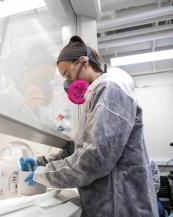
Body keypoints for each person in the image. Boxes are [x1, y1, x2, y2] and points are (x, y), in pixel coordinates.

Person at [20, 36, 159, 217]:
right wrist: (40, 162)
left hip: (122, 207)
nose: (67, 83)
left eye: (67, 75)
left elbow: (95, 157)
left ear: (84, 62)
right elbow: (77, 149)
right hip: (108, 206)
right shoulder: (94, 97)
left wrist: (46, 173)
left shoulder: (111, 89)